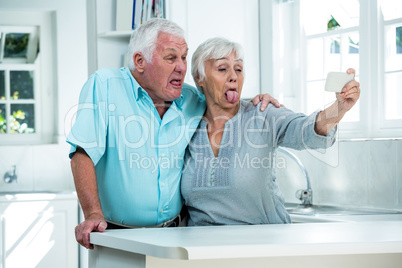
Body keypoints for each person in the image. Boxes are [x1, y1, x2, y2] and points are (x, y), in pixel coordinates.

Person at [67, 19, 280, 249]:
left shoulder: (191, 99)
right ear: (140, 61)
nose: (181, 67)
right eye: (170, 58)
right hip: (117, 236)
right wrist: (92, 213)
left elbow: (223, 99)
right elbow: (83, 152)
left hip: (177, 237)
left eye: (184, 57)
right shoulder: (105, 85)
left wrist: (256, 102)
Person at [181, 37, 361, 226]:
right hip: (202, 250)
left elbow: (305, 130)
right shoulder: (187, 125)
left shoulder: (263, 115)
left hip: (263, 245)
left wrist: (339, 109)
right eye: (222, 69)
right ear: (199, 77)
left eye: (239, 69)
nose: (233, 76)